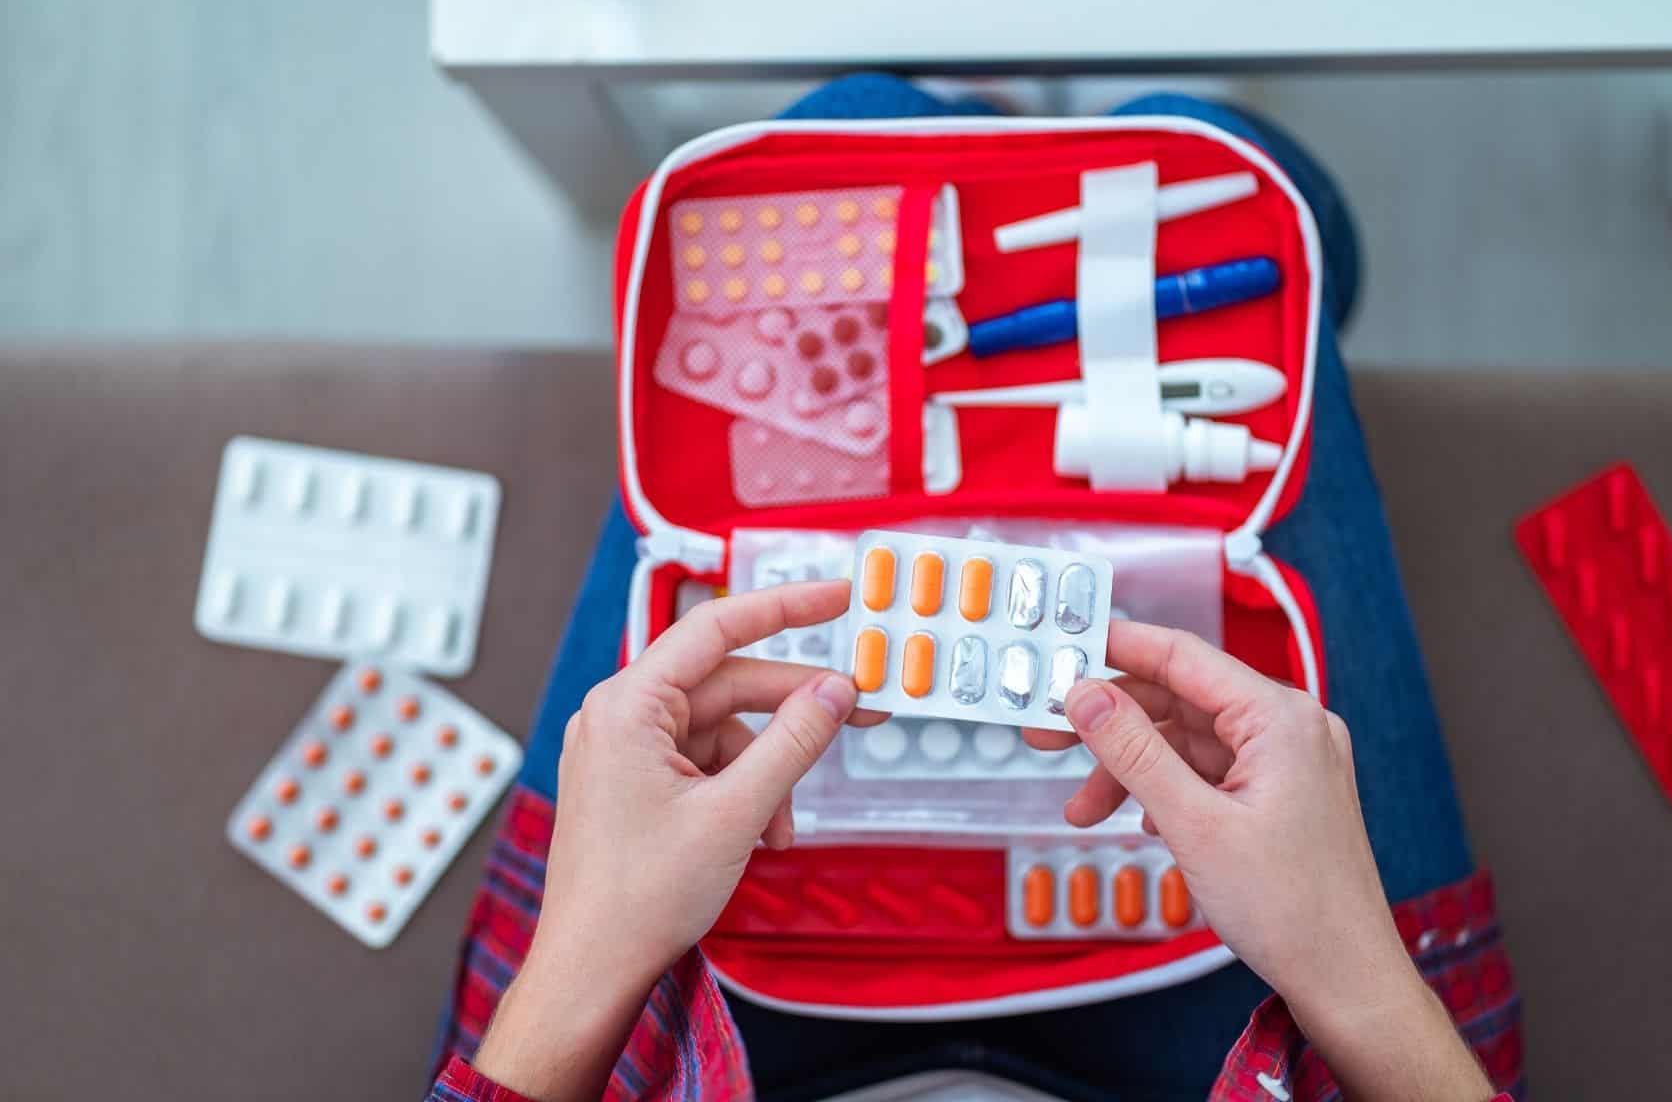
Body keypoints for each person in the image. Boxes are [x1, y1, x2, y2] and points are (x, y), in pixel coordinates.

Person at [423, 76, 1525, 1101]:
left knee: (857, 115)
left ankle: (969, 115)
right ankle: (1018, 121)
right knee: (1216, 143)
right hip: (1225, 1052)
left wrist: (583, 963)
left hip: (702, 1043)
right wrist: (1359, 980)